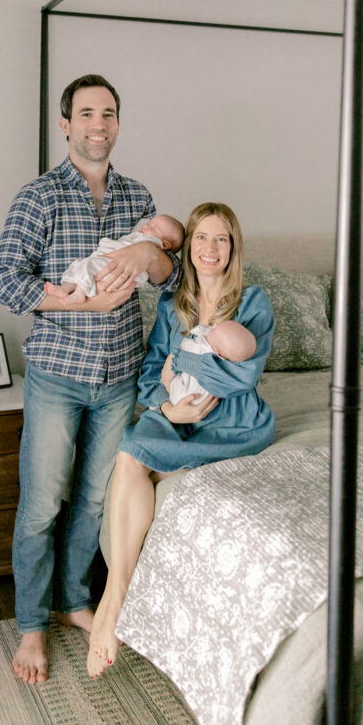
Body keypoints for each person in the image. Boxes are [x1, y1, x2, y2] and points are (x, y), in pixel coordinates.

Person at [0, 73, 180, 685]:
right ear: (66, 124)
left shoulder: (139, 197)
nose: (99, 124)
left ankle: (74, 600)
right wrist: (81, 304)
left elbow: (173, 280)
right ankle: (30, 625)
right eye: (88, 114)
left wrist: (152, 255)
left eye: (109, 114)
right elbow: (5, 282)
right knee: (42, 504)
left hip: (119, 374)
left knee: (94, 501)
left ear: (118, 124)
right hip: (57, 374)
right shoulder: (39, 196)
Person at [86, 201, 275, 679]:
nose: (211, 248)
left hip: (231, 424)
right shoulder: (172, 307)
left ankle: (111, 605)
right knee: (131, 452)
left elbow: (242, 377)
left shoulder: (254, 301)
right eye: (202, 238)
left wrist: (184, 362)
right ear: (188, 247)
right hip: (177, 415)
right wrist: (168, 407)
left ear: (233, 248)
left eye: (221, 239)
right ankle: (120, 593)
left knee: (137, 462)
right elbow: (152, 373)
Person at [44, 214, 184, 304]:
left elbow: (175, 275)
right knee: (80, 265)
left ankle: (79, 293)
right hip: (111, 262)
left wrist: (149, 250)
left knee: (88, 266)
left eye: (154, 227)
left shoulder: (152, 242)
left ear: (165, 244)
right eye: (149, 222)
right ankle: (65, 288)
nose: (146, 225)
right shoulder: (143, 236)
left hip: (119, 268)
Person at [168, 319, 256, 405]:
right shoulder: (222, 350)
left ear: (217, 352)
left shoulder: (202, 348)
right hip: (201, 400)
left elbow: (183, 347)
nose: (214, 325)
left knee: (175, 383)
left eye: (214, 330)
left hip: (182, 395)